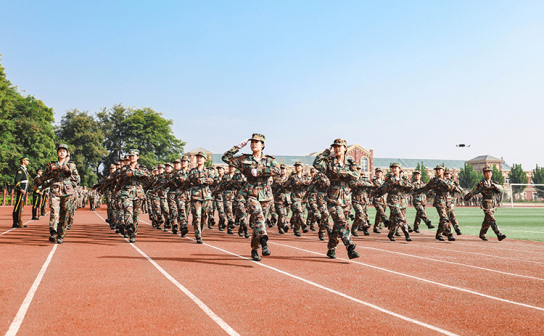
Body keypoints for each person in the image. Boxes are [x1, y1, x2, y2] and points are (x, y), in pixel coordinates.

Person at [222, 133, 280, 261]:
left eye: (257, 142)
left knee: (259, 223)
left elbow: (277, 171)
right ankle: (264, 243)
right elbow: (225, 158)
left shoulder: (269, 160)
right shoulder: (244, 159)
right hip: (251, 193)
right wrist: (237, 147)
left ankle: (255, 248)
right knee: (258, 216)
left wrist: (260, 171)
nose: (253, 144)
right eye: (251, 142)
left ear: (263, 145)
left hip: (265, 194)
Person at [313, 139, 360, 259]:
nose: (337, 148)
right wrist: (325, 153)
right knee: (341, 222)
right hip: (332, 199)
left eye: (340, 146)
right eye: (335, 146)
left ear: (345, 148)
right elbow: (316, 164)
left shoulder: (350, 164)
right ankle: (350, 247)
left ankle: (331, 248)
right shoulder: (329, 162)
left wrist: (340, 172)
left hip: (346, 199)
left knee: (337, 227)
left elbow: (355, 177)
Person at [35, 144, 80, 243]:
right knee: (54, 211)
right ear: (57, 153)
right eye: (60, 151)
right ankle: (53, 231)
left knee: (64, 213)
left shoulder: (71, 165)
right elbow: (46, 176)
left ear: (67, 153)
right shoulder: (51, 165)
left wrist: (70, 184)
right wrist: (37, 183)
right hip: (55, 190)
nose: (62, 152)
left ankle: (60, 235)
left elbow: (77, 179)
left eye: (64, 151)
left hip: (67, 191)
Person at [413, 165, 456, 242]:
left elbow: (452, 188)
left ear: (443, 170)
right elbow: (426, 188)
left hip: (447, 201)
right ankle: (449, 234)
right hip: (439, 201)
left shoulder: (448, 180)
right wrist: (415, 191)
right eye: (437, 170)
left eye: (439, 169)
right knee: (444, 217)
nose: (438, 171)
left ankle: (439, 234)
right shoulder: (434, 181)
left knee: (444, 219)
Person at [464, 166, 506, 241]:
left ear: (491, 173)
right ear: (484, 174)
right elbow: (475, 191)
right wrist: (467, 196)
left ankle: (482, 234)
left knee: (487, 220)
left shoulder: (495, 183)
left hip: (493, 203)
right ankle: (499, 234)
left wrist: (495, 186)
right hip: (486, 203)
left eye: (489, 172)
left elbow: (501, 190)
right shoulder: (482, 184)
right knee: (491, 218)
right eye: (486, 172)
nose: (488, 174)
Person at [374, 163, 413, 242]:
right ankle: (407, 233)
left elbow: (410, 186)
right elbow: (382, 188)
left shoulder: (404, 179)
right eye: (393, 168)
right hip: (393, 200)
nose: (394, 169)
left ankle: (391, 234)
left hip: (402, 200)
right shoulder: (389, 179)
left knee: (396, 220)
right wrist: (374, 194)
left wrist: (401, 183)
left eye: (396, 168)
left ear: (399, 169)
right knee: (401, 217)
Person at [119, 149, 150, 243]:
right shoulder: (124, 168)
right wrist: (136, 173)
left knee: (136, 216)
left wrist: (134, 173)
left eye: (134, 155)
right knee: (128, 210)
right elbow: (123, 175)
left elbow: (147, 175)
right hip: (127, 192)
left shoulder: (142, 167)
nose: (132, 157)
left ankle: (133, 234)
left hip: (138, 193)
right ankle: (129, 226)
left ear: (138, 157)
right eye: (130, 156)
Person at [187, 152, 215, 244]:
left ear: (205, 160)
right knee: (197, 217)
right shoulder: (192, 171)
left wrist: (206, 180)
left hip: (206, 197)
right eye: (198, 158)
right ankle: (198, 235)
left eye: (201, 158)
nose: (199, 159)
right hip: (196, 196)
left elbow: (212, 181)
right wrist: (200, 180)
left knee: (204, 217)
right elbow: (189, 180)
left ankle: (200, 231)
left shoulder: (209, 171)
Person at [285, 161, 311, 236]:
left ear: (302, 167)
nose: (297, 167)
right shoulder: (292, 177)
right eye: (296, 166)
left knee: (298, 214)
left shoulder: (306, 176)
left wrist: (299, 182)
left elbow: (309, 182)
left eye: (299, 166)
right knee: (299, 211)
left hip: (304, 197)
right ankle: (304, 225)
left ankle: (296, 229)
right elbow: (286, 185)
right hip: (295, 197)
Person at [13, 157, 31, 227]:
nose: (28, 161)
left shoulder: (24, 169)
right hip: (22, 189)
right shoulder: (20, 170)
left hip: (24, 188)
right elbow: (17, 181)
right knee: (18, 205)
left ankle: (19, 220)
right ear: (23, 161)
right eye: (27, 160)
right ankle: (15, 222)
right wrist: (20, 189)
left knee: (21, 205)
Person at [445, 169, 463, 235]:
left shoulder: (453, 183)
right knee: (446, 217)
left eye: (448, 174)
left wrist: (454, 187)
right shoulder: (442, 183)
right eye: (445, 174)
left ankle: (453, 229)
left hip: (451, 202)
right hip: (444, 202)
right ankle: (449, 230)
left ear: (451, 175)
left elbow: (460, 190)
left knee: (450, 215)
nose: (447, 175)